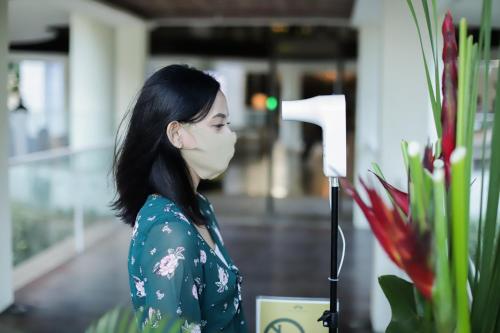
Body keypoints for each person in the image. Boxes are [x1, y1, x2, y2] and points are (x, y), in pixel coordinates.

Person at [110, 64, 248, 332]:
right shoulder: (170, 233)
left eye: (227, 124)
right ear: (176, 134)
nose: (231, 136)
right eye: (218, 125)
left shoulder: (200, 207)